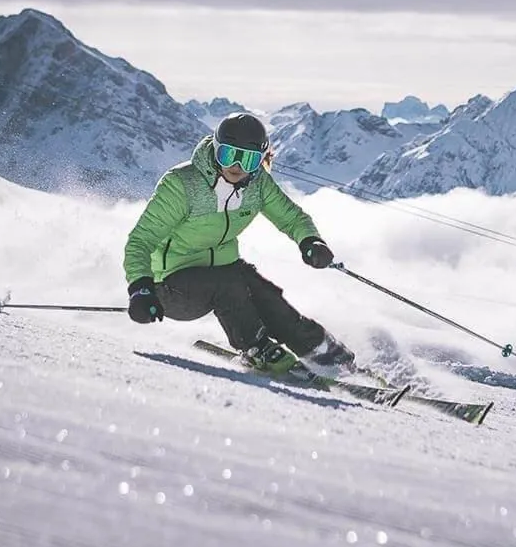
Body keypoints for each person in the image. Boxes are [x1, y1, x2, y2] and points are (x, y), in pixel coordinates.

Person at [123, 112, 355, 376]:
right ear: (214, 150)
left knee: (265, 294)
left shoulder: (257, 186)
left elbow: (291, 217)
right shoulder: (181, 185)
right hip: (168, 287)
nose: (236, 165)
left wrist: (310, 241)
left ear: (260, 160)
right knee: (229, 284)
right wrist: (140, 289)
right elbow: (141, 241)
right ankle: (257, 349)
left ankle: (321, 350)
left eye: (247, 158)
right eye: (228, 155)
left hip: (224, 271)